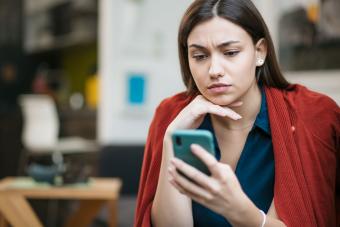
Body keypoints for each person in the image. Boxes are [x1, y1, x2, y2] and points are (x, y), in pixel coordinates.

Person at [134, 0, 340, 226]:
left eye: (230, 52)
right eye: (200, 56)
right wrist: (171, 139)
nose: (214, 71)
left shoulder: (312, 116)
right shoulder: (170, 115)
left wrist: (240, 211)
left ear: (259, 51)